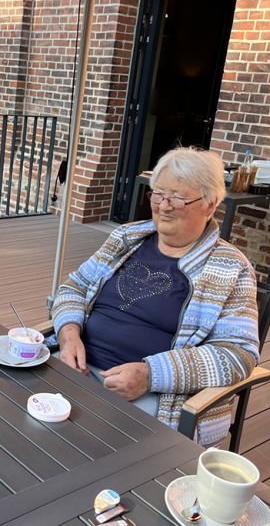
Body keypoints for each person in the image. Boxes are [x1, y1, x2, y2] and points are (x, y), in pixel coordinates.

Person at [50, 147, 259, 445]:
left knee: (86, 450)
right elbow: (74, 287)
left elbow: (238, 355)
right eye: (158, 194)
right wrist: (68, 334)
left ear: (210, 204)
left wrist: (151, 375)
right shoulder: (127, 238)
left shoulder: (230, 268)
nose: (163, 206)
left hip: (155, 397)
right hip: (74, 368)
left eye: (177, 197)